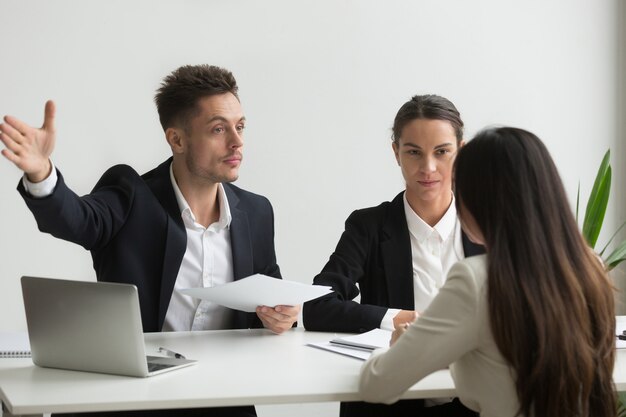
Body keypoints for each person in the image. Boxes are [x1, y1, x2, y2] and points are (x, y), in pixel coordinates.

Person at [0, 64, 299, 417]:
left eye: (240, 126)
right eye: (219, 129)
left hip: (222, 398)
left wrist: (284, 318)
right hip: (132, 399)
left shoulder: (256, 212)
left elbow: (270, 296)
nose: (237, 141)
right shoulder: (131, 194)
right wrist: (41, 173)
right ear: (177, 139)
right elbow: (78, 220)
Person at [359, 127, 617, 417]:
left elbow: (376, 384)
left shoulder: (476, 279)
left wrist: (399, 347)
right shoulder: (592, 268)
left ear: (478, 199)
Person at [303, 94, 483, 417]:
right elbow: (317, 307)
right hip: (392, 405)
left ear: (462, 152)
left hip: (474, 403)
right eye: (413, 152)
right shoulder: (368, 226)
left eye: (441, 152)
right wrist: (398, 318)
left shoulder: (488, 226)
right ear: (396, 153)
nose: (428, 168)